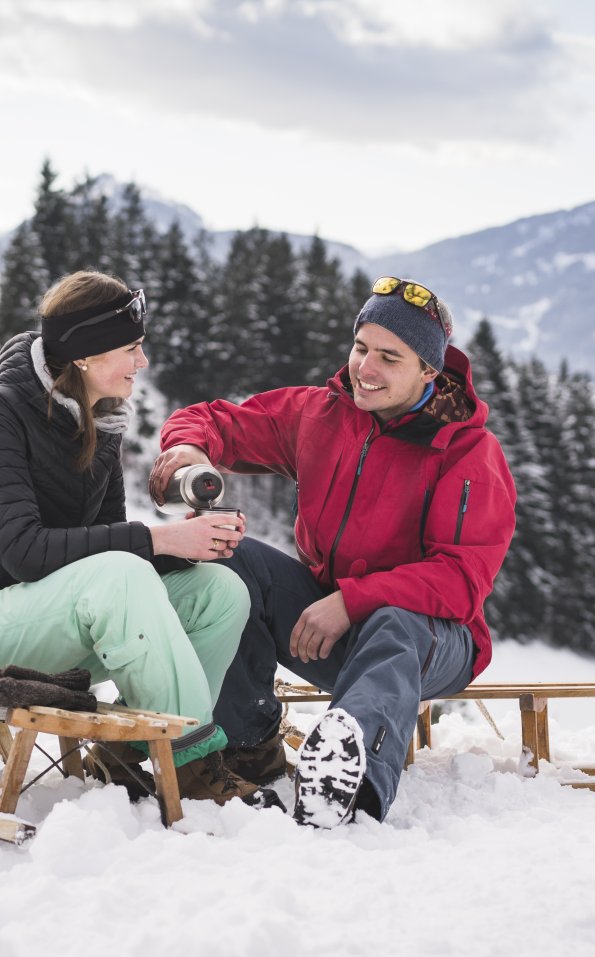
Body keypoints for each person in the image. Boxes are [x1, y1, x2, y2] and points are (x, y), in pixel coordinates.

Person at [150, 276, 516, 828]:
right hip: (329, 620)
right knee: (233, 556)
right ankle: (246, 747)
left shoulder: (467, 452)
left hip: (433, 638)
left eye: (389, 357)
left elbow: (461, 580)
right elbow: (217, 420)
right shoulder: (322, 414)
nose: (365, 368)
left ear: (428, 372)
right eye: (360, 348)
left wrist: (353, 600)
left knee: (397, 622)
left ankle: (349, 782)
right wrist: (185, 451)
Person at [0, 269, 284, 811]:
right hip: (9, 624)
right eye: (132, 348)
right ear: (85, 354)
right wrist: (158, 539)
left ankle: (132, 753)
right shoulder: (5, 410)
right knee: (124, 571)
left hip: (62, 621)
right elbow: (22, 552)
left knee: (219, 591)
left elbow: (106, 550)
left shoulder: (101, 422)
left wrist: (190, 546)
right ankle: (193, 765)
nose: (142, 362)